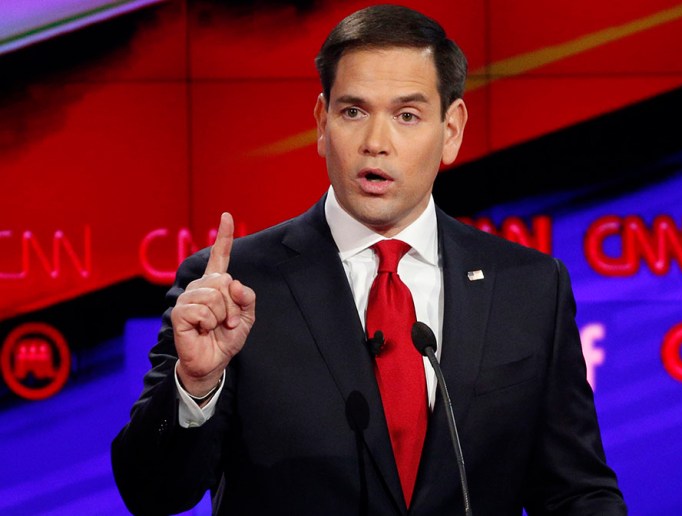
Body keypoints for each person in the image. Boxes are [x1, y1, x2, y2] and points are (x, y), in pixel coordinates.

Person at [112, 4, 627, 515]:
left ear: (451, 131)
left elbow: (576, 492)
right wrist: (195, 387)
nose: (375, 143)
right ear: (321, 122)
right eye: (353, 112)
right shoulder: (234, 288)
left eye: (407, 115)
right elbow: (152, 493)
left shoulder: (529, 286)